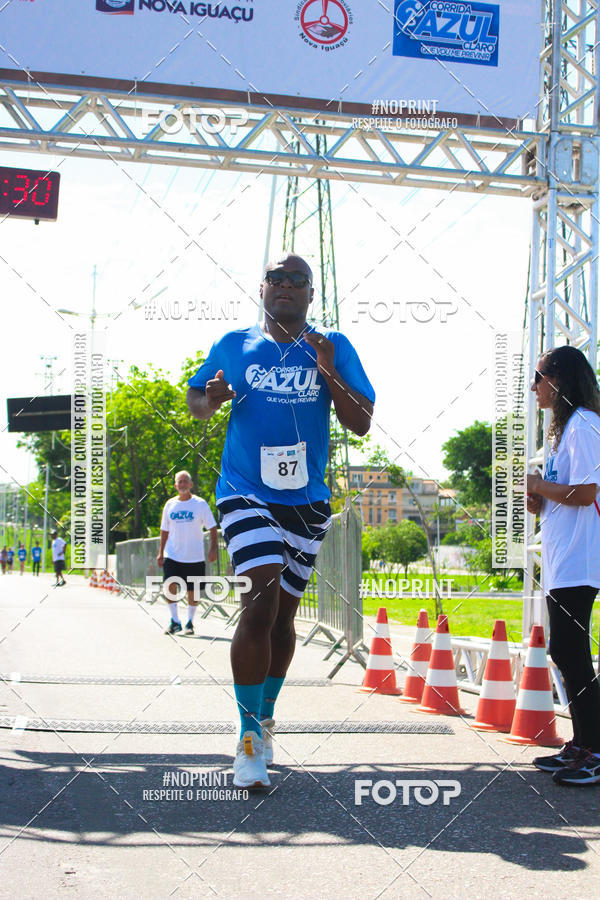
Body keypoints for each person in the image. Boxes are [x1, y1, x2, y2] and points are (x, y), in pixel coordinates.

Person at [186, 253, 375, 789]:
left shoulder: (332, 345)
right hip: (245, 492)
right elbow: (197, 400)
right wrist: (212, 397)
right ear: (262, 288)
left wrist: (328, 371)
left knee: (284, 616)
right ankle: (247, 739)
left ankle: (266, 718)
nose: (286, 287)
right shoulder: (235, 344)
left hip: (308, 499)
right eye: (278, 279)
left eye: (298, 281)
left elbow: (359, 423)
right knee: (260, 600)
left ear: (312, 294)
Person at [526, 345, 600, 786]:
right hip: (562, 558)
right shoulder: (566, 430)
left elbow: (589, 491)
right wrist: (541, 498)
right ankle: (582, 742)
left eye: (539, 377)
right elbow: (565, 492)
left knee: (571, 651)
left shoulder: (587, 424)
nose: (534, 387)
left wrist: (541, 485)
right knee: (565, 651)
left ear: (559, 379)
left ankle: (593, 748)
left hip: (581, 558)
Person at [157, 471, 218, 635]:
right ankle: (175, 621)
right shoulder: (170, 505)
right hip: (173, 554)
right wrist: (160, 552)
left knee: (193, 590)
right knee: (169, 585)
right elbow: (164, 530)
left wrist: (213, 548)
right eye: (180, 482)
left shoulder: (200, 504)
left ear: (191, 485)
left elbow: (212, 527)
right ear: (176, 486)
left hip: (194, 556)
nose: (183, 485)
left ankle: (190, 622)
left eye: (185, 481)